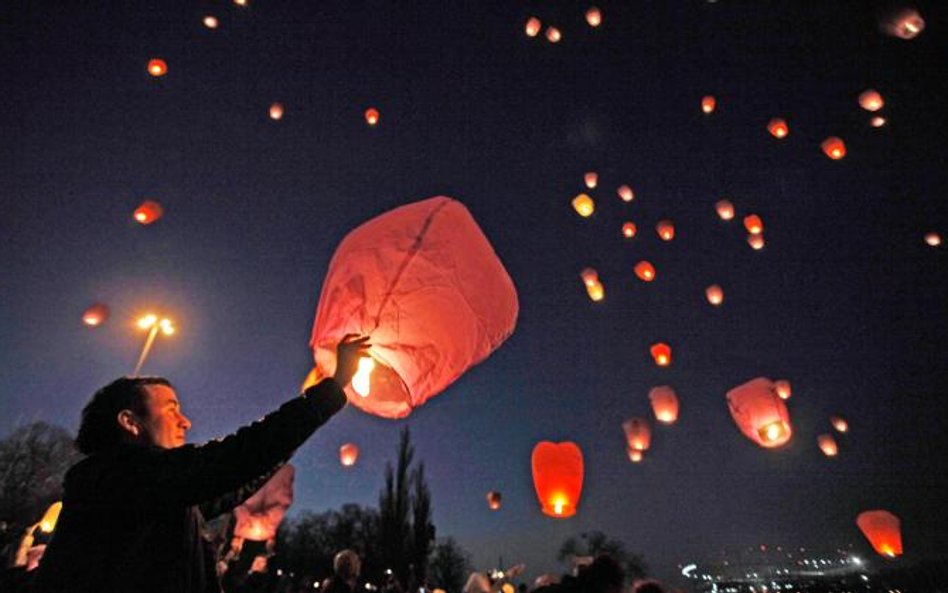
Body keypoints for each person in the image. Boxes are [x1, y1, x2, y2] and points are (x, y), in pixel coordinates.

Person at [32, 335, 370, 593]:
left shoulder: (161, 495)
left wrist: (291, 436)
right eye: (171, 408)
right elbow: (235, 457)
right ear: (130, 422)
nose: (185, 422)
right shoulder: (115, 478)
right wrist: (332, 389)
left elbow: (238, 477)